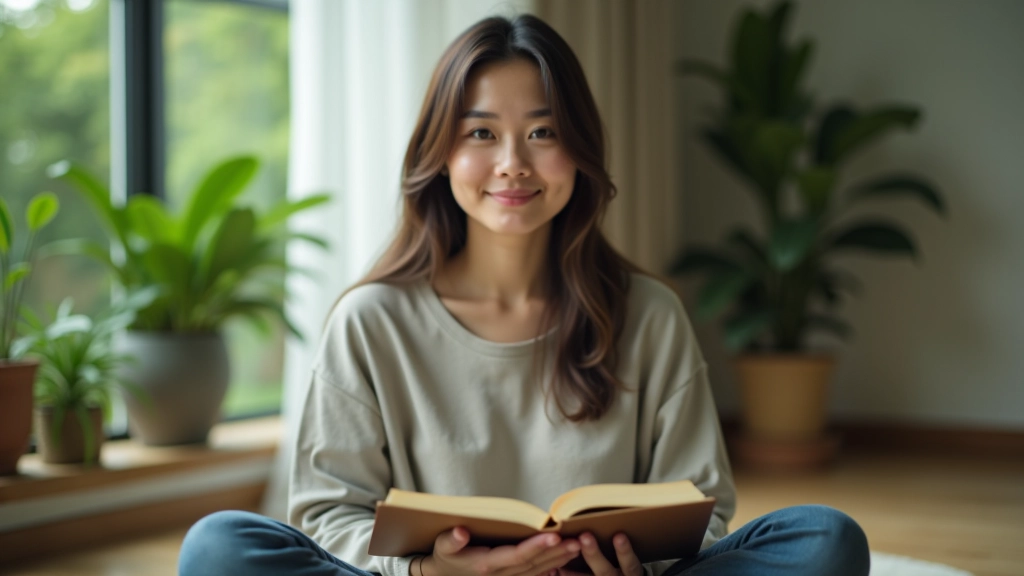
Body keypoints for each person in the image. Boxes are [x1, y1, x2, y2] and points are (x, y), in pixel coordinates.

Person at [178, 14, 870, 576]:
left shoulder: (649, 315)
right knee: (221, 548)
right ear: (442, 155)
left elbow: (702, 508)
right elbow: (328, 514)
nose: (513, 162)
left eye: (543, 132)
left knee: (824, 539)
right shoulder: (372, 321)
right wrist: (427, 574)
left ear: (580, 152)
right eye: (481, 133)